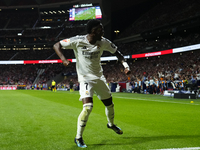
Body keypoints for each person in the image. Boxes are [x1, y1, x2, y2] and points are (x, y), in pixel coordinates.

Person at [53, 19, 131, 148]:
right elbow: (57, 45)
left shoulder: (104, 42)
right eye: (101, 29)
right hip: (85, 78)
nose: (103, 31)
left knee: (110, 105)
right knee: (88, 107)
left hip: (99, 78)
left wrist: (126, 66)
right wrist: (63, 59)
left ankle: (110, 124)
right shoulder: (78, 40)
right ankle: (78, 137)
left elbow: (118, 54)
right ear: (93, 31)